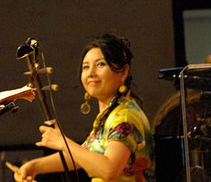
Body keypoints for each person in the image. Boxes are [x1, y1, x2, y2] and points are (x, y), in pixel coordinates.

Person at [15, 34, 155, 182]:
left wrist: (62, 142)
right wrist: (34, 166)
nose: (91, 73)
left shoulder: (125, 117)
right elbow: (81, 156)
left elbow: (109, 170)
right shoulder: (109, 114)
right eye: (86, 67)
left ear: (123, 72)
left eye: (101, 64)